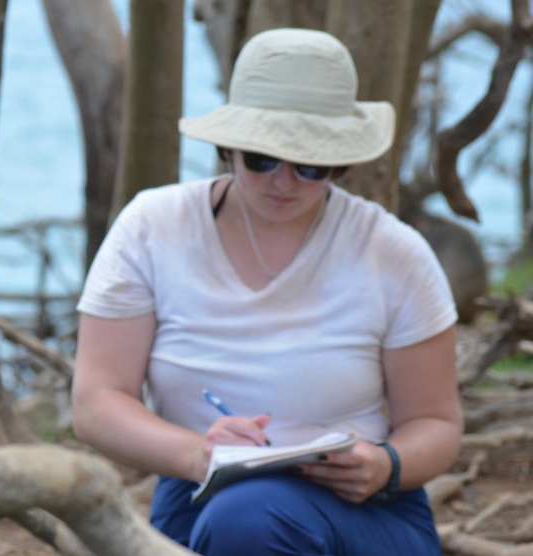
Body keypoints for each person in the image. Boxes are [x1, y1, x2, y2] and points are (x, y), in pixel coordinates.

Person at [71, 28, 462, 555]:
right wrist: (197, 453)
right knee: (244, 517)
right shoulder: (152, 227)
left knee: (251, 518)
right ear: (228, 147)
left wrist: (385, 465)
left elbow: (434, 422)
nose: (283, 181)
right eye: (262, 159)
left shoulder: (393, 252)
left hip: (365, 510)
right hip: (199, 497)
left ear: (340, 162)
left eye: (309, 166)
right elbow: (97, 401)